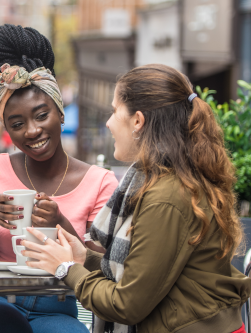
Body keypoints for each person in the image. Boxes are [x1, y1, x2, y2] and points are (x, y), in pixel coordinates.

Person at [22, 64, 251, 333]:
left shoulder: (166, 196)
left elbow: (127, 304)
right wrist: (85, 258)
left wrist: (66, 269)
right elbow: (146, 274)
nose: (108, 122)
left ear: (138, 121)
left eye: (114, 110)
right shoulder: (164, 182)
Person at [0, 24, 119, 333]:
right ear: (6, 129)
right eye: (17, 123)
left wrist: (61, 223)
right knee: (0, 321)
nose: (31, 131)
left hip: (56, 305)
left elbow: (103, 272)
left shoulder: (100, 182)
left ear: (60, 112)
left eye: (41, 115)